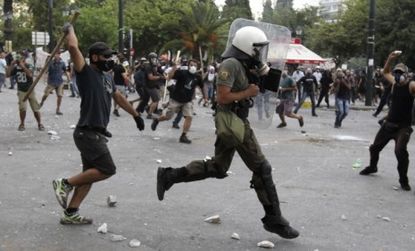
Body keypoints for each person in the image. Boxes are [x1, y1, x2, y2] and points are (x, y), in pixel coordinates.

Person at [156, 26, 299, 239]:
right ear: (247, 46)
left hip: (236, 119)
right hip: (232, 120)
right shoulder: (230, 64)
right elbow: (222, 97)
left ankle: (170, 176)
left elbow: (264, 85)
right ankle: (274, 219)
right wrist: (248, 92)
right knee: (262, 168)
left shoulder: (244, 64)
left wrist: (261, 75)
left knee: (218, 167)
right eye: (257, 49)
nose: (259, 53)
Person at [52, 24, 145, 225]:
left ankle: (71, 213)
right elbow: (74, 49)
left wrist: (136, 115)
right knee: (107, 169)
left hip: (96, 134)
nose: (109, 60)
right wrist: (71, 30)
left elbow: (118, 97)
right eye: (105, 57)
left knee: (89, 176)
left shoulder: (107, 78)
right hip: (88, 133)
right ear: (94, 57)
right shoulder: (85, 72)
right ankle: (64, 183)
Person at [360, 51, 415, 191]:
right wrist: (390, 58)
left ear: (407, 74)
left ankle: (404, 180)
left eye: (401, 72)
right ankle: (373, 167)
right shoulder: (395, 84)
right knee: (374, 148)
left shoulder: (411, 85)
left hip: (403, 127)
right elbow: (385, 72)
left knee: (400, 151)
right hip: (388, 124)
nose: (397, 75)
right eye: (396, 72)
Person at [151, 59, 203, 144]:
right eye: (191, 65)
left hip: (187, 100)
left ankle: (183, 136)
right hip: (176, 98)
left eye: (195, 65)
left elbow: (201, 86)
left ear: (197, 67)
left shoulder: (198, 77)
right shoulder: (182, 72)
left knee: (189, 116)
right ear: (188, 65)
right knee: (168, 117)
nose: (193, 67)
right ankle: (157, 120)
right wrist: (174, 67)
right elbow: (169, 77)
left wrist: (205, 96)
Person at [6, 51, 45, 131]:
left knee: (35, 108)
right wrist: (11, 65)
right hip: (21, 90)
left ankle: (39, 123)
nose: (20, 58)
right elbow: (7, 75)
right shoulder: (16, 67)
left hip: (30, 89)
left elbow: (30, 74)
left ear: (24, 58)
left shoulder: (29, 65)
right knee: (22, 108)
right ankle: (22, 123)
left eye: (22, 57)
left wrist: (23, 66)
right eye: (19, 57)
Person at [39, 51, 70, 115]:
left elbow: (65, 70)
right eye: (56, 54)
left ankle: (58, 109)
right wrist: (44, 77)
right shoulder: (50, 63)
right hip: (51, 82)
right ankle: (41, 102)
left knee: (60, 96)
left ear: (59, 55)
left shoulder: (62, 63)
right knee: (46, 95)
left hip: (59, 82)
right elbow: (46, 70)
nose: (57, 55)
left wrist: (68, 78)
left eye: (58, 54)